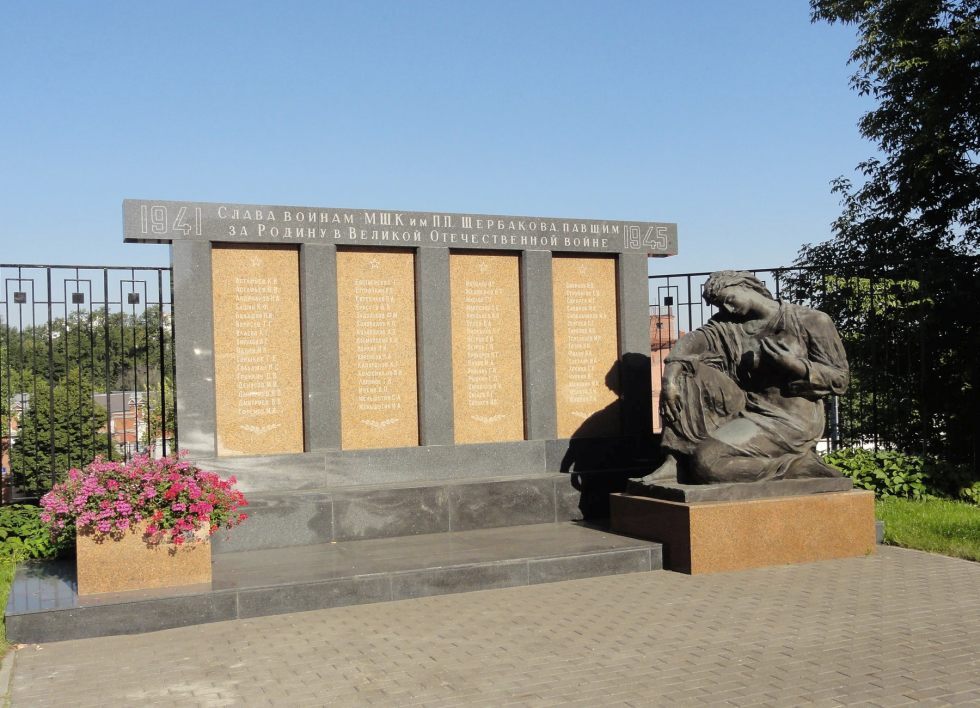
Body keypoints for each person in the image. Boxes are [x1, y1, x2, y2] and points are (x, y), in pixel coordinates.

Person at [639, 271, 848, 485]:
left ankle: (796, 466)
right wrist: (669, 381)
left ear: (745, 285)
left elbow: (840, 379)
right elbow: (692, 343)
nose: (728, 309)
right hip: (747, 409)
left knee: (707, 465)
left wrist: (795, 365)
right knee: (686, 370)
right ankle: (676, 460)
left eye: (729, 300)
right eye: (721, 306)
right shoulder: (730, 326)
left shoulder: (812, 320)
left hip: (790, 419)